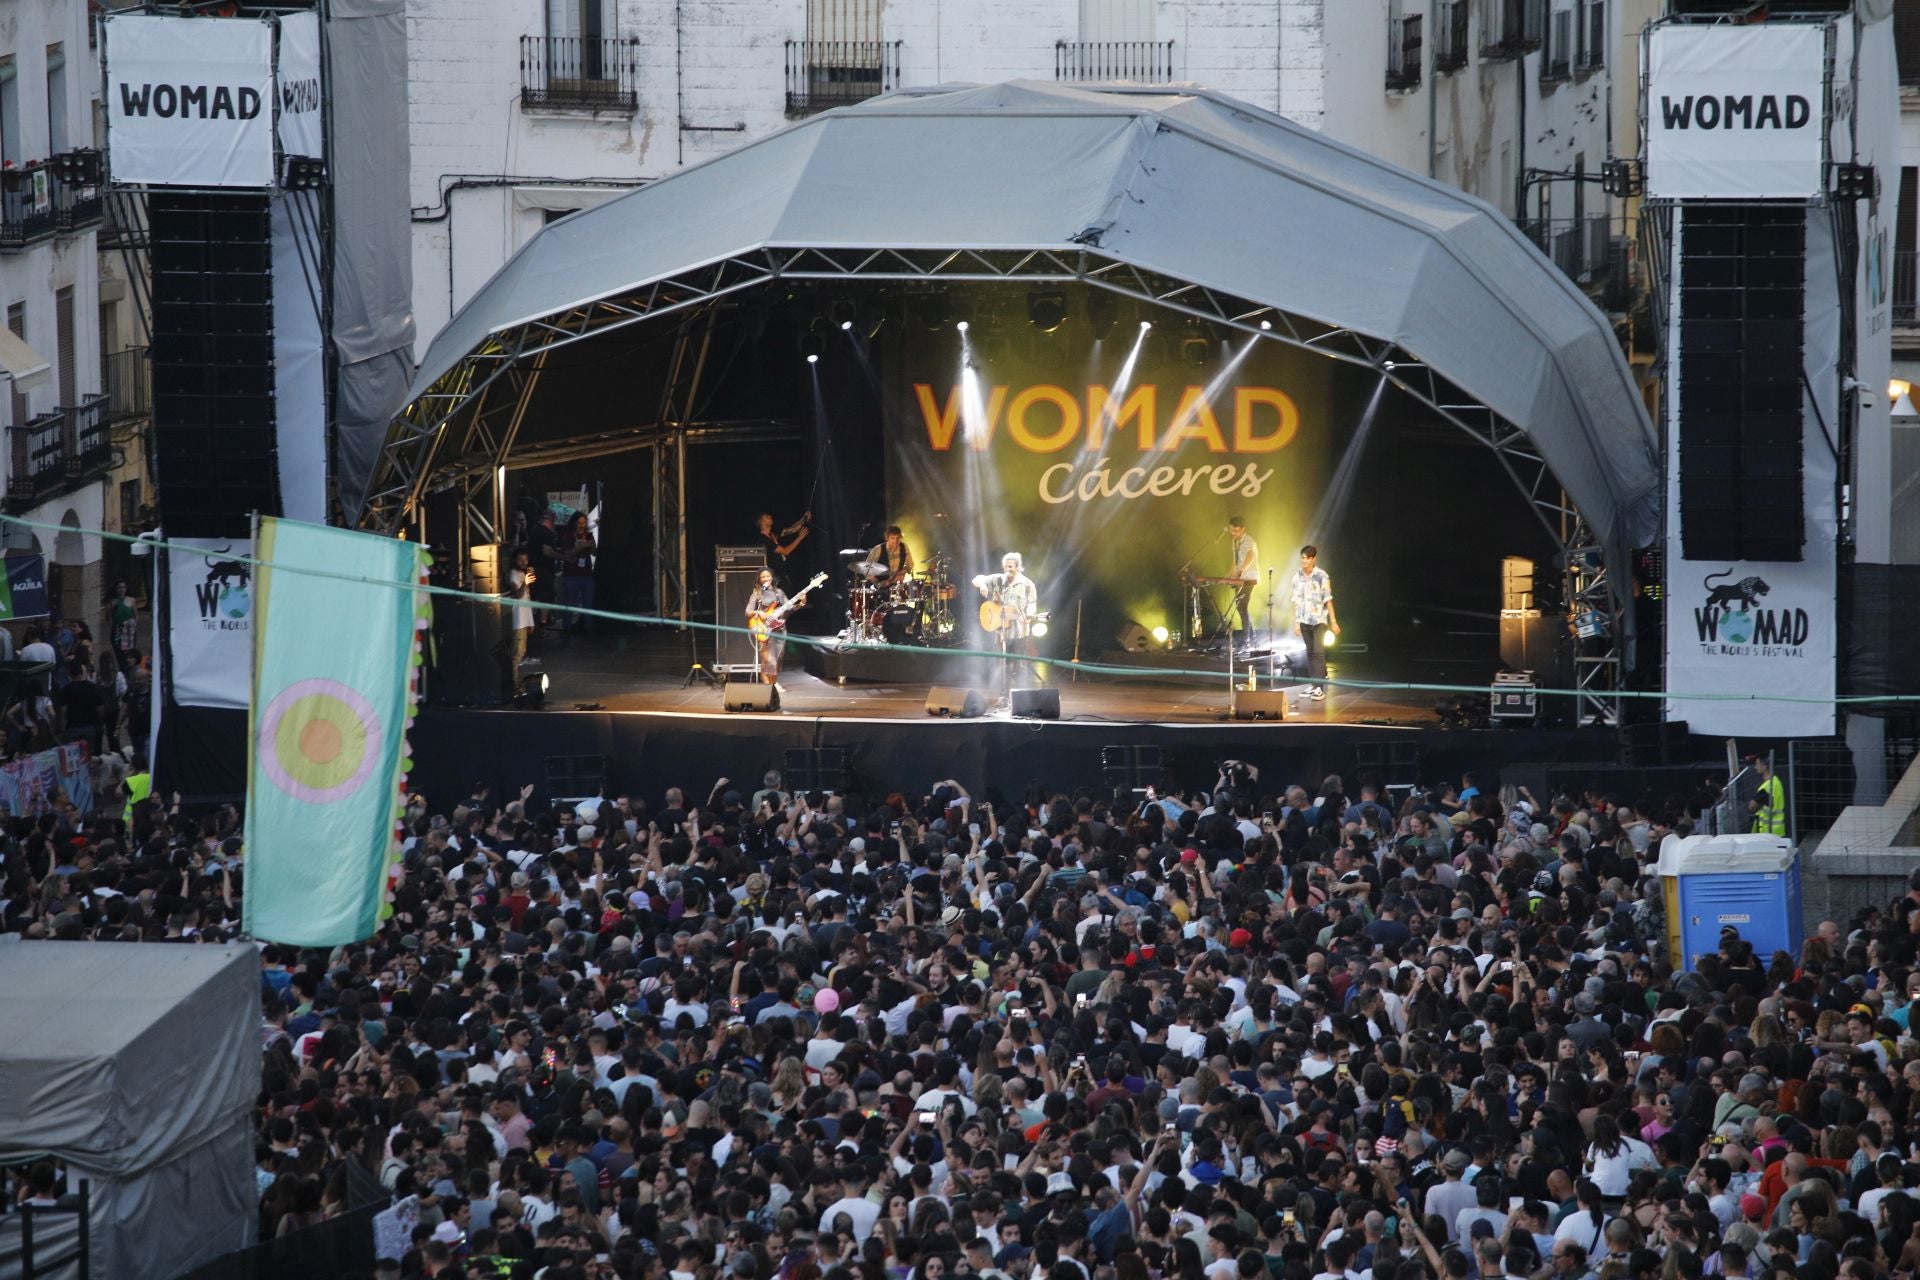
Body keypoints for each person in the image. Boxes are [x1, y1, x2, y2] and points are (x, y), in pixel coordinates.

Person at [972, 551, 1042, 691]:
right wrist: (983, 585)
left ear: (1018, 567)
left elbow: (1032, 604)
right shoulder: (998, 579)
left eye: (1010, 566)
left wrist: (1029, 615)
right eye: (1005, 566)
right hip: (1001, 631)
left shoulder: (1027, 584)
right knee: (1003, 664)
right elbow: (976, 579)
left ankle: (1022, 695)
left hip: (1019, 632)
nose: (1007, 569)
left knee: (1021, 664)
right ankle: (1004, 696)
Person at [745, 567, 814, 690]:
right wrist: (758, 612)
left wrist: (801, 603)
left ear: (772, 577)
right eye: (763, 577)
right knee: (768, 660)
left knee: (777, 660)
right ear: (759, 580)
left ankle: (773, 683)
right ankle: (768, 687)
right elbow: (748, 611)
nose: (766, 578)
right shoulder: (757, 593)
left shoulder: (779, 593)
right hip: (763, 629)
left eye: (768, 576)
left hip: (780, 630)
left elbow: (789, 609)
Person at [1289, 544, 1340, 700]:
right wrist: (1296, 623)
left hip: (1318, 620)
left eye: (1307, 558)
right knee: (1310, 653)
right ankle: (1313, 685)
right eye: (1302, 558)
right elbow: (1295, 601)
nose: (1304, 561)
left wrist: (1334, 621)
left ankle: (1319, 687)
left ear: (1313, 559)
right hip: (1304, 620)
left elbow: (1328, 600)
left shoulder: (1322, 576)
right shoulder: (1297, 576)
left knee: (1318, 652)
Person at [503, 548, 536, 699]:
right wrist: (525, 583)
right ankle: (513, 687)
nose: (524, 563)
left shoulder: (523, 574)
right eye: (521, 560)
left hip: (524, 619)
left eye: (526, 560)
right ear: (515, 561)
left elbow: (526, 599)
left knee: (521, 653)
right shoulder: (513, 575)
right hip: (517, 621)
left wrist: (531, 621)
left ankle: (515, 685)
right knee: (516, 655)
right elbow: (518, 595)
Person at [558, 512, 596, 634]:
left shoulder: (589, 535)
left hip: (587, 573)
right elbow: (567, 553)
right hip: (571, 574)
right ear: (574, 523)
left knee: (588, 602)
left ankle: (588, 627)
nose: (582, 525)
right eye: (579, 523)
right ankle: (567, 627)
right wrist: (578, 547)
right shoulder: (568, 535)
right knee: (569, 601)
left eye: (584, 523)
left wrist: (591, 545)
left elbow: (594, 553)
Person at [1227, 515, 1259, 650]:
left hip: (1249, 579)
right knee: (1240, 607)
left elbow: (1249, 558)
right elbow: (1236, 561)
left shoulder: (1249, 541)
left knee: (1243, 606)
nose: (1233, 533)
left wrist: (1240, 572)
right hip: (1239, 579)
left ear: (1242, 529)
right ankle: (1252, 637)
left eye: (1236, 531)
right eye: (1231, 530)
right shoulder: (1234, 542)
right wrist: (1229, 574)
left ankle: (1247, 639)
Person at [756, 511, 812, 585]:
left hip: (781, 574)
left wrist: (804, 519)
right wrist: (800, 537)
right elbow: (786, 551)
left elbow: (792, 529)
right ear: (762, 522)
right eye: (766, 516)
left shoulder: (772, 535)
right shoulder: (764, 540)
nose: (770, 516)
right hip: (774, 577)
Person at [1747, 755, 1785, 836]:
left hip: (1768, 833)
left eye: (1757, 764)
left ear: (1764, 766)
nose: (1755, 767)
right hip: (1776, 831)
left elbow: (1751, 807)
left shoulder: (1767, 786)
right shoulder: (1776, 782)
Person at [109, 580, 138, 673]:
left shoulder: (131, 600)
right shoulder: (113, 601)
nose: (121, 590)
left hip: (129, 630)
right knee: (120, 654)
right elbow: (109, 617)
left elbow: (135, 615)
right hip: (118, 630)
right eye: (119, 587)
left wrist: (134, 626)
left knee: (130, 653)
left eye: (123, 587)